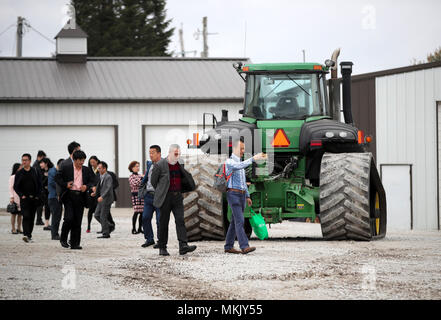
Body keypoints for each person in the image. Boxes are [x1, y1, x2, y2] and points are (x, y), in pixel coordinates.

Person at [151, 144, 197, 256]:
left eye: (179, 153)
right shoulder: (160, 165)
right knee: (164, 223)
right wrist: (162, 191)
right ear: (170, 152)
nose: (177, 155)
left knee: (180, 220)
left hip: (177, 197)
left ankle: (183, 246)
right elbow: (153, 181)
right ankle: (162, 247)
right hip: (165, 198)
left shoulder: (179, 163)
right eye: (176, 153)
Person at [224, 138, 266, 254]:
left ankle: (228, 246)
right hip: (233, 194)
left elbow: (243, 182)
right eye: (241, 148)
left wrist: (247, 196)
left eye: (243, 148)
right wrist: (253, 159)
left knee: (234, 221)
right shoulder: (230, 162)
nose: (243, 151)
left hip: (241, 195)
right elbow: (239, 166)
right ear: (235, 149)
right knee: (239, 220)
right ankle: (244, 246)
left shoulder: (241, 165)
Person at [55, 149, 94, 250]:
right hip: (68, 195)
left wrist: (86, 186)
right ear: (74, 159)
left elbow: (93, 181)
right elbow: (57, 178)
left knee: (77, 221)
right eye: (80, 160)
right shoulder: (66, 168)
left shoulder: (86, 170)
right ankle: (63, 238)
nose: (82, 162)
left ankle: (75, 243)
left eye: (83, 160)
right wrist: (65, 184)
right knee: (69, 218)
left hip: (80, 196)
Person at [13, 153, 43, 243]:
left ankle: (29, 235)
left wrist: (38, 196)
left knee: (32, 217)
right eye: (22, 160)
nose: (24, 162)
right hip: (24, 199)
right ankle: (25, 234)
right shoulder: (19, 173)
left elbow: (39, 184)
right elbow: (15, 187)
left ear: (30, 161)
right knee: (26, 216)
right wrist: (21, 195)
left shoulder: (35, 171)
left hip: (34, 198)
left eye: (26, 160)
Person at [140, 145, 161, 248]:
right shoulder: (149, 164)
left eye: (153, 152)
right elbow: (146, 177)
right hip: (148, 196)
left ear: (159, 153)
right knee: (145, 217)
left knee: (159, 220)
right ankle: (149, 239)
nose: (150, 155)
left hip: (159, 197)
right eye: (149, 153)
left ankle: (160, 241)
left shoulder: (164, 164)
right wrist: (141, 185)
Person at [93, 161, 115, 239]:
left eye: (100, 168)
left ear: (104, 168)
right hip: (101, 199)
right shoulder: (100, 176)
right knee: (96, 215)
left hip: (106, 199)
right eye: (98, 168)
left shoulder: (108, 176)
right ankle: (109, 226)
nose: (98, 169)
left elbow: (108, 188)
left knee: (103, 216)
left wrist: (102, 196)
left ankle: (106, 233)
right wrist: (95, 193)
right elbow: (100, 187)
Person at [48, 158, 64, 240]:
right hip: (53, 197)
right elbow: (52, 183)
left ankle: (56, 233)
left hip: (58, 197)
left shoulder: (57, 172)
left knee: (58, 217)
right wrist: (63, 184)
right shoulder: (52, 171)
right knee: (55, 216)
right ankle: (54, 235)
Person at [128, 161, 144, 234]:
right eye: (136, 166)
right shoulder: (131, 177)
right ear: (132, 168)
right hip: (135, 195)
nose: (138, 168)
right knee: (136, 212)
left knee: (142, 213)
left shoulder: (140, 175)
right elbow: (134, 184)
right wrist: (142, 179)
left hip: (142, 195)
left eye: (138, 166)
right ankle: (133, 228)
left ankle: (140, 228)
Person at [86, 156, 100, 233]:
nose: (92, 164)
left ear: (97, 161)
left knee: (100, 210)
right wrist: (92, 187)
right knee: (91, 210)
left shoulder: (100, 169)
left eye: (93, 162)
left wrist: (97, 187)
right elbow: (87, 181)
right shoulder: (88, 170)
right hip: (91, 192)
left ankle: (105, 226)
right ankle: (88, 226)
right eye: (91, 162)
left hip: (99, 192)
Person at [39, 158, 53, 231]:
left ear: (46, 163)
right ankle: (46, 223)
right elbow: (41, 182)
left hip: (51, 192)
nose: (40, 164)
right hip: (44, 192)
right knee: (46, 207)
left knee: (51, 207)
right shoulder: (40, 171)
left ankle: (50, 223)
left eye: (42, 163)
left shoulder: (52, 170)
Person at [8, 163, 23, 234]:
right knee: (14, 214)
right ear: (17, 168)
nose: (22, 168)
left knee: (20, 214)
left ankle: (19, 228)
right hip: (14, 197)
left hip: (21, 198)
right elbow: (11, 188)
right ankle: (13, 228)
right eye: (20, 167)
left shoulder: (21, 176)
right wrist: (11, 197)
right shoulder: (12, 177)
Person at [33, 150, 46, 226]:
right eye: (43, 158)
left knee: (40, 204)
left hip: (39, 186)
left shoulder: (36, 164)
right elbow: (38, 177)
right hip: (38, 187)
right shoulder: (36, 165)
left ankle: (39, 219)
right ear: (39, 157)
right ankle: (38, 219)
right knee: (39, 204)